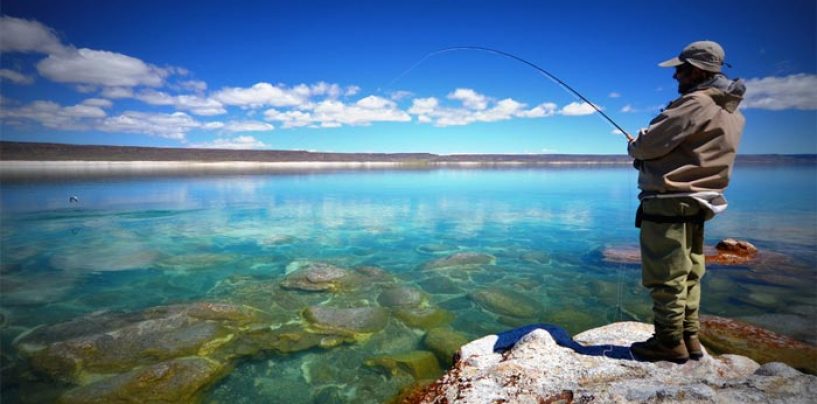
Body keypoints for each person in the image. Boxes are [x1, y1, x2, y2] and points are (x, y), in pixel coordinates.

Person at [627, 40, 746, 363]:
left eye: (680, 69)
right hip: (701, 200)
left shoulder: (694, 104)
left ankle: (667, 342)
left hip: (669, 199)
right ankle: (690, 337)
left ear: (695, 70)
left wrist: (636, 143)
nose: (675, 75)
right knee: (691, 271)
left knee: (666, 274)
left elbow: (646, 147)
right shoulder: (731, 112)